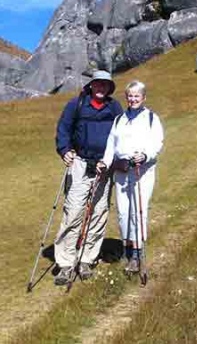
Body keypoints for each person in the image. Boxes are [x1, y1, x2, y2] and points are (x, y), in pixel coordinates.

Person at [54, 70, 123, 286]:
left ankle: (87, 259)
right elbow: (63, 129)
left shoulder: (114, 108)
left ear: (109, 88)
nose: (101, 88)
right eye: (98, 84)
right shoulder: (76, 104)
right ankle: (65, 264)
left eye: (105, 85)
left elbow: (122, 135)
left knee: (99, 212)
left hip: (104, 167)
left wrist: (114, 159)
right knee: (73, 211)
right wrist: (65, 150)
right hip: (80, 163)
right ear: (91, 85)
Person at [99, 80, 164, 273]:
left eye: (137, 96)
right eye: (130, 96)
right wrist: (105, 161)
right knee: (123, 212)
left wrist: (145, 155)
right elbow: (111, 143)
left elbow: (157, 142)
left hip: (142, 171)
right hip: (121, 170)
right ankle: (128, 249)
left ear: (144, 97)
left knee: (138, 210)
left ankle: (137, 253)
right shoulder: (119, 119)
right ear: (126, 98)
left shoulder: (152, 118)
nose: (133, 99)